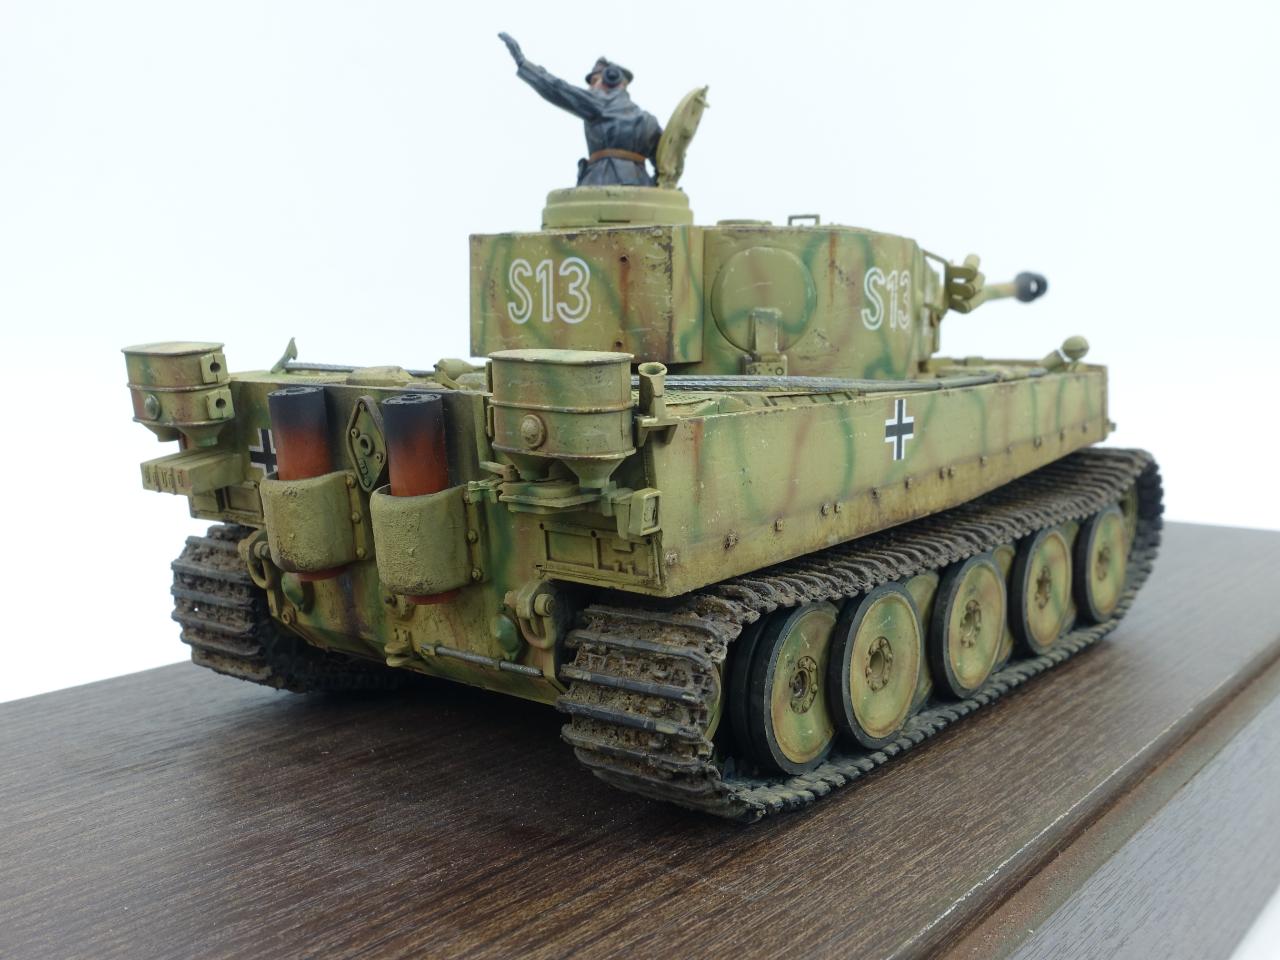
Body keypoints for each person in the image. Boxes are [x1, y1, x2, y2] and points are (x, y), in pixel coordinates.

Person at [499, 33, 662, 187]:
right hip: (642, 191)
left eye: (595, 81)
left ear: (612, 79)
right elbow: (667, 164)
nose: (591, 88)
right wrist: (656, 186)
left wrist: (523, 64)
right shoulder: (649, 121)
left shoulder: (599, 103)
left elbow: (559, 89)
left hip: (600, 184)